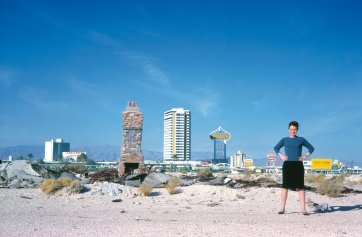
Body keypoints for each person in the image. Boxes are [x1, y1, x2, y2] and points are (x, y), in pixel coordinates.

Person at [274, 121, 314, 215]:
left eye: (294, 129)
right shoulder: (284, 140)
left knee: (301, 187)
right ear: (288, 130)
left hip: (298, 165)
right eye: (291, 129)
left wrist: (305, 157)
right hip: (288, 165)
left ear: (297, 130)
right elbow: (276, 148)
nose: (293, 131)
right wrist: (281, 156)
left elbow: (311, 148)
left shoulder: (301, 139)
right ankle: (282, 208)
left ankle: (303, 209)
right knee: (285, 187)